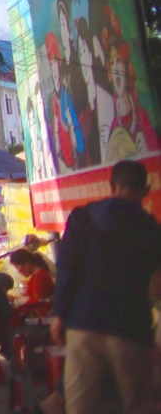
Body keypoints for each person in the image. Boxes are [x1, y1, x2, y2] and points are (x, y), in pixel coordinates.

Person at [51, 158, 161, 414]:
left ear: (111, 185)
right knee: (137, 405)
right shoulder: (151, 229)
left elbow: (66, 270)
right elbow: (157, 286)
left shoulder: (81, 217)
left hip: (83, 324)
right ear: (146, 190)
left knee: (79, 406)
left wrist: (59, 315)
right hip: (130, 327)